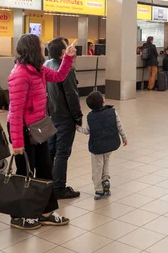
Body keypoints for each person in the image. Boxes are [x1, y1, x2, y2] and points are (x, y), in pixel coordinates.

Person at [7, 34, 74, 230]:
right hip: (22, 130)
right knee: (24, 173)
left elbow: (59, 76)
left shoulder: (38, 70)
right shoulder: (20, 74)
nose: (43, 47)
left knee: (45, 170)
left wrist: (67, 57)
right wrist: (17, 142)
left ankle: (46, 212)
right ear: (32, 49)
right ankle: (19, 215)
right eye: (40, 45)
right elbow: (16, 111)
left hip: (38, 128)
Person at [44, 37, 83, 200]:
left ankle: (48, 184)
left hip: (50, 114)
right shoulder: (65, 69)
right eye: (68, 46)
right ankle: (59, 188)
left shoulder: (46, 65)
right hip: (64, 116)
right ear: (63, 52)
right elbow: (71, 95)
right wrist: (78, 117)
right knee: (62, 153)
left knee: (51, 151)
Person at [77, 91, 128, 200]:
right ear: (103, 100)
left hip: (97, 147)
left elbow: (87, 131)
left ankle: (99, 190)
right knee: (106, 162)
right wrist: (124, 137)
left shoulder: (90, 117)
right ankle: (106, 182)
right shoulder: (113, 112)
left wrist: (77, 127)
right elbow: (119, 126)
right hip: (110, 144)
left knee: (97, 167)